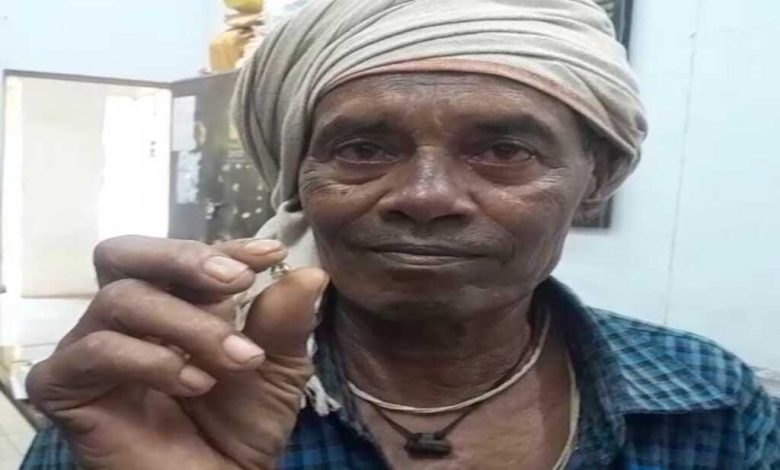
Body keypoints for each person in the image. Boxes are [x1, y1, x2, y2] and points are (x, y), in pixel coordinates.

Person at [21, 0, 780, 468]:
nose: (425, 197)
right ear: (298, 178)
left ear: (598, 178)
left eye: (504, 150)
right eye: (361, 149)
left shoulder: (706, 398)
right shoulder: (167, 394)